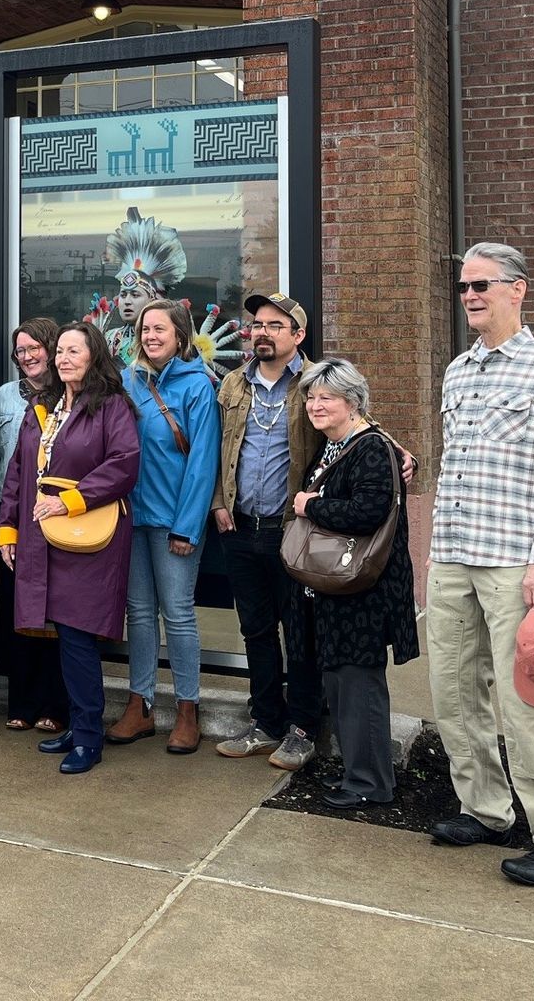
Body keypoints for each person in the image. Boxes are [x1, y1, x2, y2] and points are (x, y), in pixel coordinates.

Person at [429, 243, 534, 886]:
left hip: (514, 564)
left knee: (531, 702)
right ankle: (487, 809)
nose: (470, 295)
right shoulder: (457, 371)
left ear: (517, 290)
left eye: (481, 285)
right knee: (452, 693)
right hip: (452, 556)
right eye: (464, 286)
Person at [0, 322, 141, 775]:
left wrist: (70, 501)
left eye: (73, 351)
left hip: (88, 536)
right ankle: (78, 726)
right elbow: (18, 472)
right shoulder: (41, 406)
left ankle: (89, 736)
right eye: (59, 351)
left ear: (94, 356)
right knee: (59, 633)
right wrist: (9, 531)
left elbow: (124, 464)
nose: (62, 358)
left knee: (78, 637)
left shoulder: (112, 406)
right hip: (41, 534)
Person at [290, 358, 418, 808]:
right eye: (311, 397)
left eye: (327, 397)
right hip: (339, 589)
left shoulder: (369, 447)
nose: (315, 405)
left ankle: (371, 783)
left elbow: (368, 511)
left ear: (353, 402)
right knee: (342, 684)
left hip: (364, 591)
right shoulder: (337, 445)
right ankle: (358, 776)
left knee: (359, 686)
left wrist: (311, 507)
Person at [209, 291, 322, 769]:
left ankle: (302, 728)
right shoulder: (233, 384)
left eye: (276, 325)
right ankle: (266, 721)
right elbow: (213, 447)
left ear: (297, 335)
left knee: (299, 633)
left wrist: (400, 453)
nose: (263, 332)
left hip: (292, 530)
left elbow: (354, 425)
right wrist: (217, 502)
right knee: (254, 629)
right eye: (257, 324)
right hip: (239, 526)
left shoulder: (319, 381)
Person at [111, 300, 221, 754]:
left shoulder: (197, 386)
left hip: (174, 521)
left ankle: (186, 709)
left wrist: (187, 526)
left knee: (177, 614)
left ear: (181, 335)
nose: (150, 335)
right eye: (144, 329)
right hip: (130, 518)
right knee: (138, 614)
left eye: (159, 328)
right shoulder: (127, 381)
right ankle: (139, 705)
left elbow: (203, 462)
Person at [0, 319, 69, 733]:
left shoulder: (71, 398)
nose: (27, 356)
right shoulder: (3, 397)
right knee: (18, 617)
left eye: (35, 347)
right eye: (20, 350)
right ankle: (20, 703)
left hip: (59, 521)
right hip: (13, 524)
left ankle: (55, 706)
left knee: (53, 619)